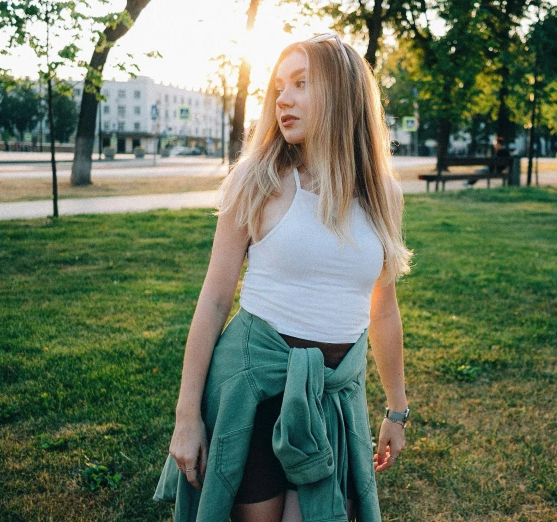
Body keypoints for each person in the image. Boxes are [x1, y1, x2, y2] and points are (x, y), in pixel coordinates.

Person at [153, 33, 412, 522]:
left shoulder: (382, 194)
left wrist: (396, 409)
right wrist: (186, 417)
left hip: (333, 397)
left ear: (342, 93)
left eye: (300, 83)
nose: (282, 99)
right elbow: (213, 302)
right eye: (278, 86)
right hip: (254, 391)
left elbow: (384, 306)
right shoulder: (257, 180)